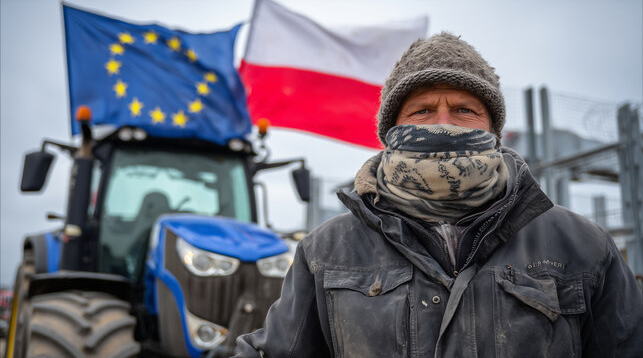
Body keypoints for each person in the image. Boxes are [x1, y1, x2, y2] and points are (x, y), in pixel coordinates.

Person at [235, 32, 643, 357]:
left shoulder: (583, 246)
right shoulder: (326, 251)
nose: (444, 125)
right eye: (422, 110)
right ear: (391, 130)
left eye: (465, 109)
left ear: (493, 130)